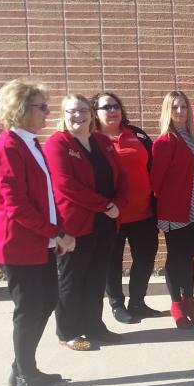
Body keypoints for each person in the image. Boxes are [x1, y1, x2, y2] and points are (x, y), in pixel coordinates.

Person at [0, 78, 74, 386]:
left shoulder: (31, 144)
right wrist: (56, 232)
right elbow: (18, 206)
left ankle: (22, 366)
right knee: (29, 309)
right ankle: (25, 381)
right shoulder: (7, 149)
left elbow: (47, 197)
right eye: (41, 107)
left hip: (40, 242)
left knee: (47, 301)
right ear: (20, 110)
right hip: (19, 245)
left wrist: (58, 229)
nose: (48, 113)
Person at [44, 94, 125, 351]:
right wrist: (106, 205)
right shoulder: (58, 143)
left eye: (81, 111)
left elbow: (118, 176)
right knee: (71, 278)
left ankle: (94, 326)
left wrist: (118, 204)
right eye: (71, 111)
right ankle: (68, 331)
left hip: (105, 223)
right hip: (75, 225)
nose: (77, 116)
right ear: (63, 115)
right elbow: (66, 185)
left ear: (91, 114)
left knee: (95, 278)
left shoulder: (101, 141)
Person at [93, 91, 161, 324]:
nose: (112, 110)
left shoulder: (136, 134)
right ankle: (117, 304)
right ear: (95, 113)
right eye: (105, 107)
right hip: (112, 215)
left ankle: (138, 302)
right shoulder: (91, 141)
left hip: (144, 212)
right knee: (112, 261)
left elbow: (154, 165)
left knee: (145, 257)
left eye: (115, 106)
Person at [151, 91, 194, 329]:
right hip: (175, 210)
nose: (180, 111)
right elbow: (155, 182)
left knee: (187, 258)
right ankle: (176, 305)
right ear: (168, 111)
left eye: (184, 106)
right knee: (175, 258)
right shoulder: (164, 142)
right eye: (175, 107)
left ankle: (190, 303)